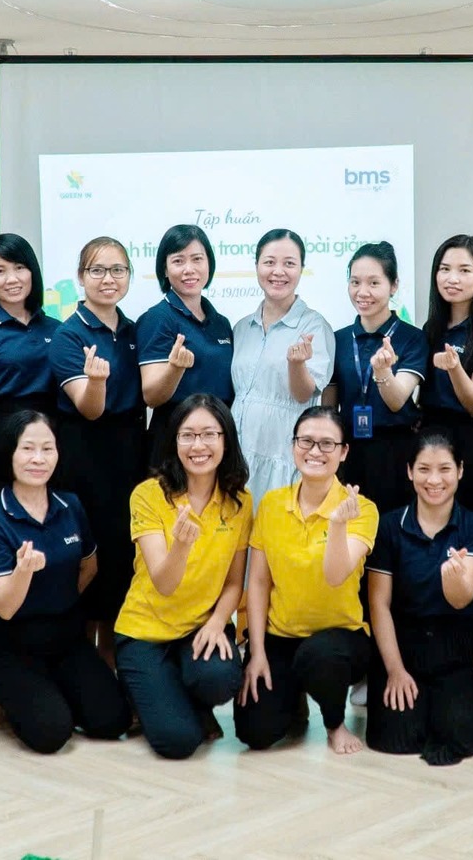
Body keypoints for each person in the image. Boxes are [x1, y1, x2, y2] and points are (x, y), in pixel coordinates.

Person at [0, 411, 131, 753]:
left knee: (113, 720)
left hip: (64, 639)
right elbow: (4, 606)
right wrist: (23, 572)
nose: (38, 458)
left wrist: (59, 600)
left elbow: (89, 566)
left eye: (48, 448)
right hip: (9, 645)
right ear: (9, 454)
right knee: (52, 734)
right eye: (28, 448)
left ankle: (49, 691)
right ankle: (15, 699)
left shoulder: (70, 505)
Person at [234, 406, 381, 755]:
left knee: (320, 655)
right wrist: (257, 652)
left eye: (327, 444)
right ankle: (293, 700)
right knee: (256, 733)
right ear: (293, 446)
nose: (315, 451)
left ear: (344, 452)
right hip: (281, 635)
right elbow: (258, 583)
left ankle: (334, 723)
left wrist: (338, 524)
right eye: (306, 441)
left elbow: (335, 575)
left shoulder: (361, 509)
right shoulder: (271, 504)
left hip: (339, 640)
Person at [114, 394, 252, 759]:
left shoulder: (240, 501)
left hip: (198, 627)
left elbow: (234, 582)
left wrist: (218, 623)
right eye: (187, 435)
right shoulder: (148, 495)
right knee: (178, 742)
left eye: (209, 434)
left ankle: (178, 691)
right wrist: (181, 545)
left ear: (226, 440)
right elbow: (164, 583)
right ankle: (150, 689)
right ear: (174, 441)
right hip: (145, 632)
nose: (198, 446)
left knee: (219, 678)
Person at [364, 431, 473, 765]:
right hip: (403, 642)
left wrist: (453, 579)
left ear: (460, 471)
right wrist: (395, 669)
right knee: (395, 739)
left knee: (459, 735)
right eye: (423, 469)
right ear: (409, 471)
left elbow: (462, 599)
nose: (434, 480)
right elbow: (379, 603)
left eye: (444, 469)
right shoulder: (389, 526)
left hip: (456, 643)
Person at [48, 236, 148, 653]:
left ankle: (115, 663)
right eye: (98, 270)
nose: (109, 279)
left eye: (118, 270)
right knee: (89, 559)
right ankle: (85, 664)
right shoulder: (68, 335)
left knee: (123, 562)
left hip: (131, 453)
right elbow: (89, 409)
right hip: (86, 456)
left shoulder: (135, 330)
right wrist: (97, 382)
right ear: (81, 276)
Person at [0, 232, 62, 517]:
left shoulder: (56, 328)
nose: (12, 279)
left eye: (19, 268)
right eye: (0, 271)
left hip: (50, 433)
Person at [231, 229, 336, 500]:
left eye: (289, 263)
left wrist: (296, 364)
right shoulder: (241, 328)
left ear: (301, 269)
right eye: (269, 262)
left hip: (281, 457)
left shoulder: (314, 326)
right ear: (257, 265)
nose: (278, 271)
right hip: (237, 456)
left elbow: (304, 394)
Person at [327, 242, 425, 513]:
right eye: (355, 282)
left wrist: (382, 372)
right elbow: (329, 408)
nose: (362, 292)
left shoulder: (412, 338)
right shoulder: (338, 339)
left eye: (374, 283)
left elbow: (396, 400)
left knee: (392, 527)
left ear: (393, 285)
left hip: (396, 451)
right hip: (349, 452)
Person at [419, 235, 473, 517]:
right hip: (432, 440)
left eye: (464, 270)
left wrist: (454, 368)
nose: (452, 278)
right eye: (444, 269)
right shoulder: (432, 328)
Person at [139, 224, 236, 445]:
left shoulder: (221, 322)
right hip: (176, 437)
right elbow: (151, 396)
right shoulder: (157, 319)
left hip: (218, 435)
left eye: (197, 259)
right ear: (164, 269)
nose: (189, 269)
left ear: (209, 263)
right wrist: (175, 369)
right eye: (178, 261)